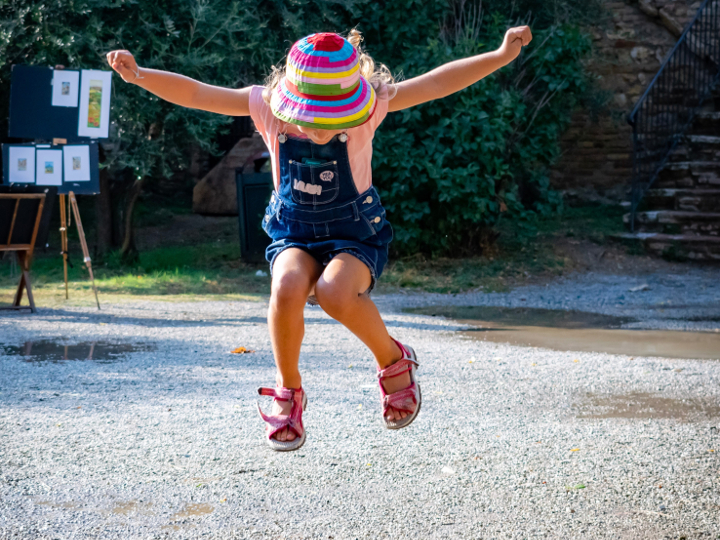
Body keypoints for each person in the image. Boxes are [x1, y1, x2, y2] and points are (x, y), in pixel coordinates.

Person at [107, 25, 532, 451]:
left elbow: (438, 82)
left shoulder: (373, 104)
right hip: (294, 232)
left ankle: (392, 359)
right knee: (287, 286)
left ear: (354, 106)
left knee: (334, 293)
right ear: (291, 102)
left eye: (334, 120)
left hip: (355, 232)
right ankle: (288, 390)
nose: (320, 131)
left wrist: (498, 56)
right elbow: (198, 94)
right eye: (311, 119)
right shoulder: (265, 107)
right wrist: (140, 74)